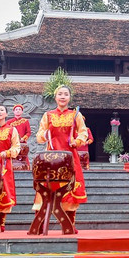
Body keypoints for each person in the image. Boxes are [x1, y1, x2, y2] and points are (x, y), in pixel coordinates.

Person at [34, 85, 88, 231]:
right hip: (50, 158)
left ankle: (69, 224)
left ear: (69, 97)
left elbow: (84, 133)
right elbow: (39, 136)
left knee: (70, 190)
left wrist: (76, 141)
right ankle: (39, 224)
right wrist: (46, 134)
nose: (63, 96)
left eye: (65, 94)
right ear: (55, 97)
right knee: (46, 188)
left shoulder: (75, 115)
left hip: (70, 158)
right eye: (60, 94)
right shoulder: (48, 115)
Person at [7, 104, 32, 170]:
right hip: (12, 143)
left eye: (19, 109)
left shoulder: (25, 121)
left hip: (22, 143)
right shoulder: (9, 122)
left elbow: (28, 132)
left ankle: (26, 170)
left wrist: (23, 138)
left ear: (22, 112)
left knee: (23, 158)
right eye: (16, 110)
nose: (18, 111)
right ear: (14, 111)